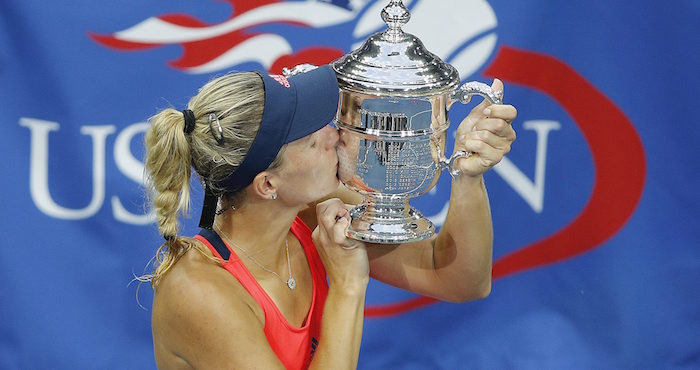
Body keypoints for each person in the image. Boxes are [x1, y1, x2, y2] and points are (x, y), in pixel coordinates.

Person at [144, 65, 516, 369]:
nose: (335, 133)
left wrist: (467, 173)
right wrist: (348, 286)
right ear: (268, 184)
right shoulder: (198, 291)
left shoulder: (307, 210)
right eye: (310, 136)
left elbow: (457, 278)